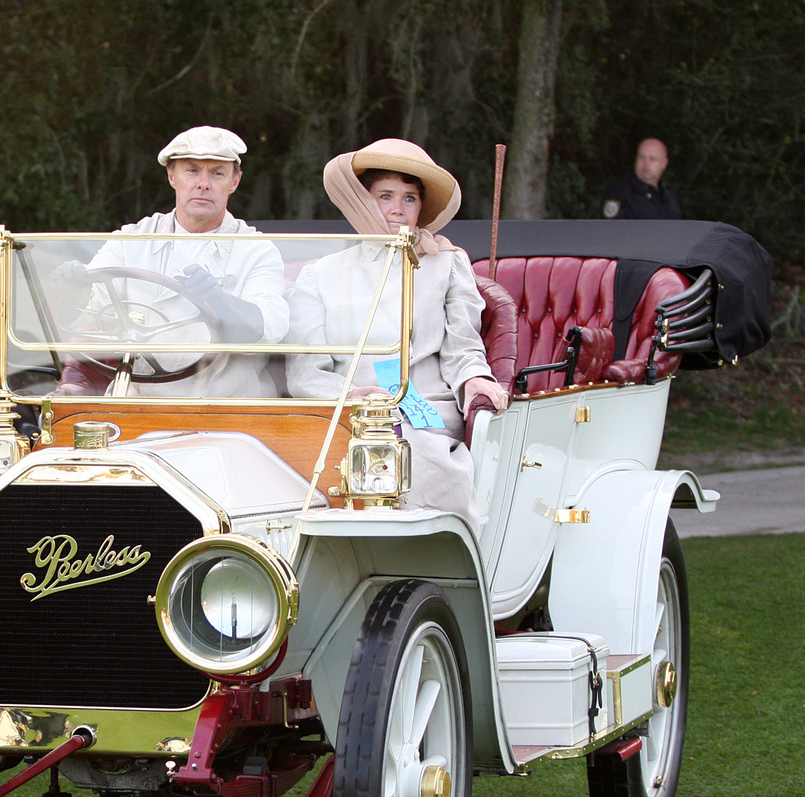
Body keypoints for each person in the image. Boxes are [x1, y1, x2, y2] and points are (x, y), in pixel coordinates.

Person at [286, 139, 508, 523]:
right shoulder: (319, 274)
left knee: (413, 459)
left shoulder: (446, 263)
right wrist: (350, 395)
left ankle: (438, 557)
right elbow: (306, 372)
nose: (396, 209)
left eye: (409, 198)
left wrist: (475, 379)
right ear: (362, 200)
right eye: (384, 195)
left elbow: (463, 346)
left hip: (423, 409)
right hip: (344, 413)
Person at [52, 126, 288, 397]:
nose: (203, 184)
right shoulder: (132, 239)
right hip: (140, 403)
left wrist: (222, 303)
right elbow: (92, 309)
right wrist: (73, 287)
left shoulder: (256, 250)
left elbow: (271, 328)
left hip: (229, 409)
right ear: (171, 176)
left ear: (234, 181)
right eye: (191, 170)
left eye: (217, 173)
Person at [601, 138, 682, 220]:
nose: (646, 164)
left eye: (652, 159)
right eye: (642, 158)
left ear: (664, 163)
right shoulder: (619, 192)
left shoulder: (669, 192)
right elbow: (611, 230)